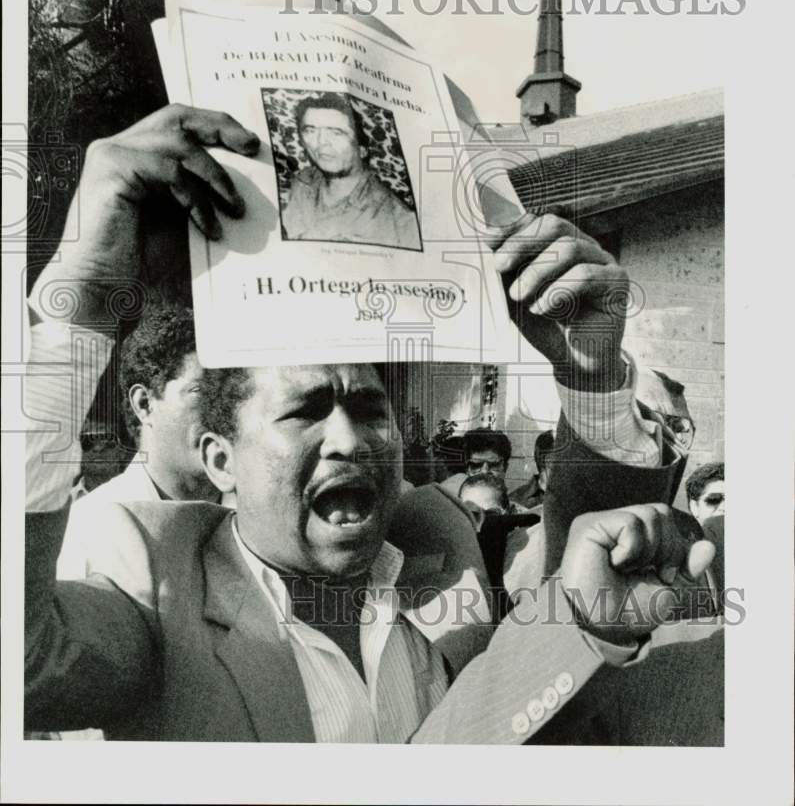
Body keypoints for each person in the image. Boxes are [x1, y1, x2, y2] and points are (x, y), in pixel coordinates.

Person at [25, 104, 720, 745]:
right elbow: (22, 666)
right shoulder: (156, 577)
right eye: (304, 410)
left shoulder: (434, 542)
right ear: (218, 459)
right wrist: (78, 297)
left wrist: (590, 372)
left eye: (368, 408)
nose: (350, 440)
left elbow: (581, 592)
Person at [56, 301, 235, 582]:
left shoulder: (260, 524)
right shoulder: (86, 531)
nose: (224, 410)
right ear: (144, 403)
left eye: (230, 394)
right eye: (201, 391)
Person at [280, 92, 421, 251]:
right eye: (310, 130)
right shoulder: (302, 180)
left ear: (362, 149)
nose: (321, 142)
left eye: (336, 132)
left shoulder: (398, 219)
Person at [438, 429, 514, 500]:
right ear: (467, 469)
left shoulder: (520, 512)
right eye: (476, 465)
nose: (484, 471)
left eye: (493, 465)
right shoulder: (454, 509)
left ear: (505, 468)